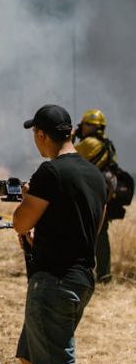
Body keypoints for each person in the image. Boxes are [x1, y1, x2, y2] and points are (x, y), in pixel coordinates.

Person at [13, 104, 107, 364]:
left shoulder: (49, 172)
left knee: (61, 363)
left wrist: (27, 199)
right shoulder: (94, 175)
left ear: (41, 135)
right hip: (80, 279)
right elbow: (90, 229)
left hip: (53, 282)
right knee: (30, 356)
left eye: (35, 136)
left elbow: (20, 222)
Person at [73, 109, 116, 283]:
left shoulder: (89, 143)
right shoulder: (107, 144)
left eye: (83, 125)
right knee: (101, 235)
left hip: (87, 195)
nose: (81, 128)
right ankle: (104, 274)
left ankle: (78, 272)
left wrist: (71, 138)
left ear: (91, 126)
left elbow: (64, 156)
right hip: (102, 195)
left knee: (79, 232)